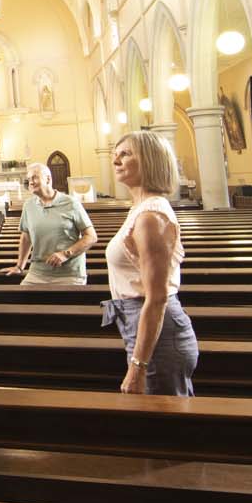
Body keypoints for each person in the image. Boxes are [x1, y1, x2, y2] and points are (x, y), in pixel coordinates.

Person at [106, 129, 196, 396]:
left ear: (149, 160)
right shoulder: (140, 209)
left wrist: (137, 366)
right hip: (141, 324)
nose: (116, 161)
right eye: (115, 154)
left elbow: (157, 297)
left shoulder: (150, 216)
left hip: (158, 333)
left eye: (125, 154)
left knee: (165, 424)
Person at [4, 161, 96, 284]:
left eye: (35, 177)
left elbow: (91, 237)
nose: (30, 182)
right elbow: (26, 237)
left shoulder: (71, 203)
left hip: (69, 273)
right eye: (29, 179)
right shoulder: (29, 205)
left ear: (48, 179)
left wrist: (65, 254)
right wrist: (19, 266)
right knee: (20, 299)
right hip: (37, 272)